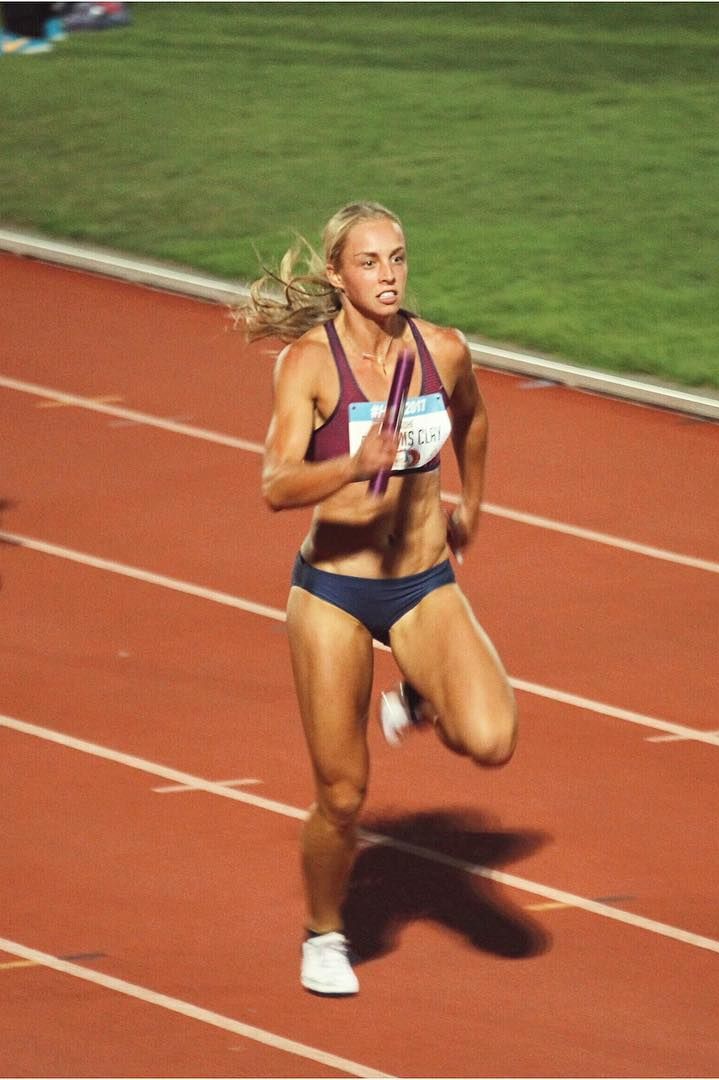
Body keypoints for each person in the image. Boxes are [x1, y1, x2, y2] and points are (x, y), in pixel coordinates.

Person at [237, 201, 518, 996]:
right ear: (337, 274)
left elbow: (475, 421)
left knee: (493, 737)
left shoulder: (442, 350)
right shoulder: (309, 365)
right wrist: (353, 467)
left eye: (397, 258)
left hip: (423, 583)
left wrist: (473, 504)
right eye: (369, 262)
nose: (388, 275)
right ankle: (324, 933)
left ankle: (420, 697)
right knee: (343, 794)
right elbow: (275, 483)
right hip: (334, 592)